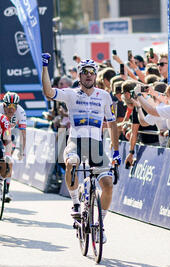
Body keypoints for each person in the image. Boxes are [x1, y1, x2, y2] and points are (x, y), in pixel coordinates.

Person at [41, 53, 120, 243]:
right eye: (84, 72)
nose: (88, 75)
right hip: (76, 140)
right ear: (79, 75)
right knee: (72, 162)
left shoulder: (105, 96)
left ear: (96, 75)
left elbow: (112, 124)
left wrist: (116, 151)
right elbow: (49, 92)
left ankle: (100, 225)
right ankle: (76, 203)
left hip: (96, 145)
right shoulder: (71, 93)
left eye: (92, 72)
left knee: (108, 184)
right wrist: (45, 68)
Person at [0, 92, 27, 202]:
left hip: (10, 135)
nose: (11, 109)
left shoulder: (21, 112)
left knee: (9, 160)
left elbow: (23, 133)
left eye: (14, 106)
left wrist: (22, 150)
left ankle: (6, 190)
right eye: (9, 106)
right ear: (4, 105)